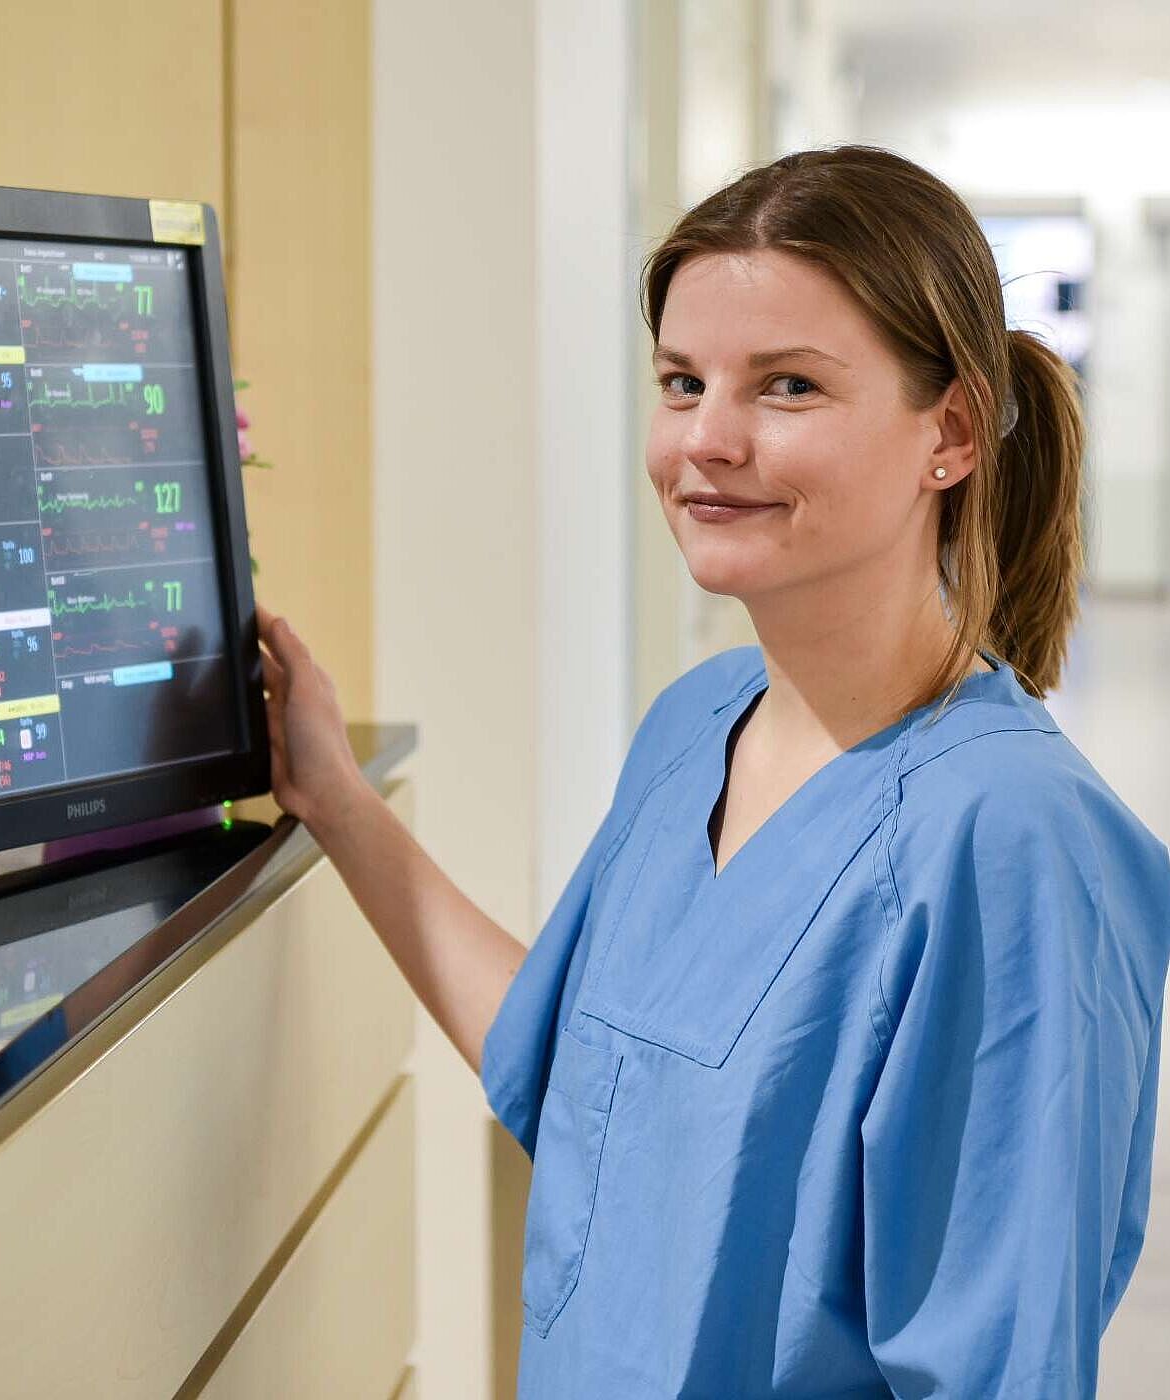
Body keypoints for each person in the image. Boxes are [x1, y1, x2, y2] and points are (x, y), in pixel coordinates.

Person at [253, 144, 1170, 1398]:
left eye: (786, 386)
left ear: (948, 432)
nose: (708, 440)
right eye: (682, 382)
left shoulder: (1011, 842)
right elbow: (576, 1075)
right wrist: (340, 802)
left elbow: (997, 1364)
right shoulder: (698, 724)